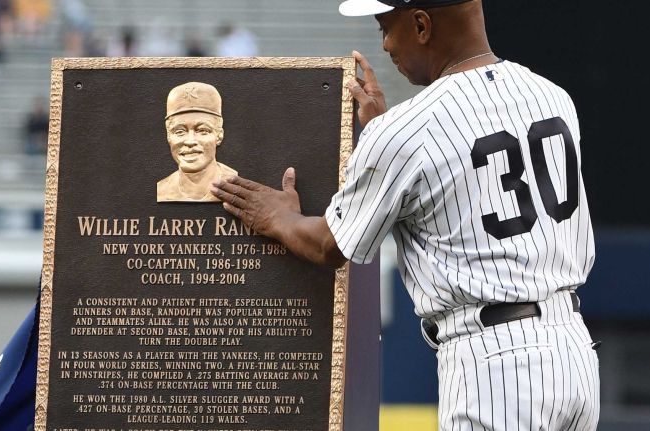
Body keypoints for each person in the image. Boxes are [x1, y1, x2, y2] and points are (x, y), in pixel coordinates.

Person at [210, 0, 600, 429]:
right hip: (574, 352)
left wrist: (278, 217)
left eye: (385, 27)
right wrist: (384, 131)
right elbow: (462, 172)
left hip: (495, 363)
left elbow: (330, 244)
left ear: (421, 25)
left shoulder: (405, 132)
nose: (384, 45)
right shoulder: (551, 96)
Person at [158, 82, 237, 202]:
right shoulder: (162, 190)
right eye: (179, 131)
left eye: (202, 130)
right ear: (169, 136)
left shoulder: (234, 184)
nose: (190, 141)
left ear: (219, 135)